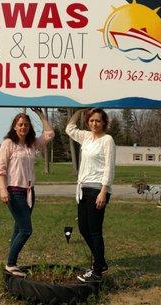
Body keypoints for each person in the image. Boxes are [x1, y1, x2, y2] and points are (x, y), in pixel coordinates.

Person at [0, 108, 54, 277]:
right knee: (26, 230)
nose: (23, 127)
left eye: (26, 125)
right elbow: (0, 169)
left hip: (29, 192)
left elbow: (49, 134)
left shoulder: (31, 144)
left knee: (18, 229)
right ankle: (11, 263)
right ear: (14, 126)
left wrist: (40, 115)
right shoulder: (8, 143)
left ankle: (10, 262)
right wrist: (3, 189)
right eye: (20, 124)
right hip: (14, 192)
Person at [65, 108, 115, 283]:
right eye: (92, 120)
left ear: (104, 123)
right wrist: (78, 111)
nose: (95, 123)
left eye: (98, 121)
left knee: (94, 231)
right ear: (88, 122)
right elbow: (69, 129)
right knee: (84, 229)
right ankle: (100, 262)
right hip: (83, 189)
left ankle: (97, 271)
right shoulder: (86, 137)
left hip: (97, 190)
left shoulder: (107, 140)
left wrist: (103, 190)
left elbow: (109, 166)